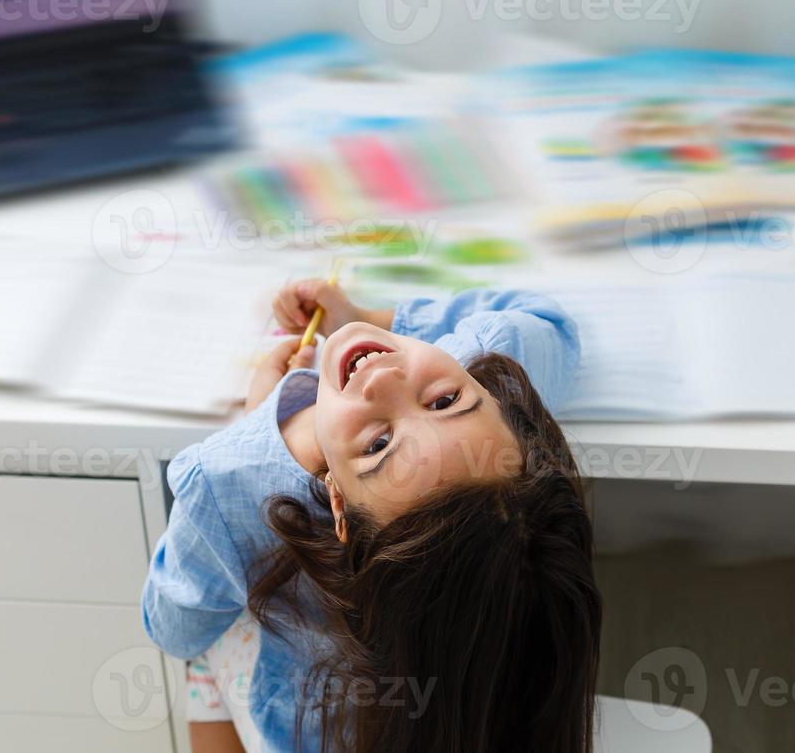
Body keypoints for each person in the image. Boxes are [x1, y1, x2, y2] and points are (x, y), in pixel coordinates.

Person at [142, 281, 601, 752]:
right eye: (444, 402)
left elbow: (175, 629)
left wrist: (254, 421)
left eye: (378, 446)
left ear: (337, 504)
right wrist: (366, 320)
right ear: (509, 406)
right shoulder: (492, 372)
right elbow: (553, 329)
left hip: (304, 729)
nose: (383, 379)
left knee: (207, 642)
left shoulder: (221, 479)